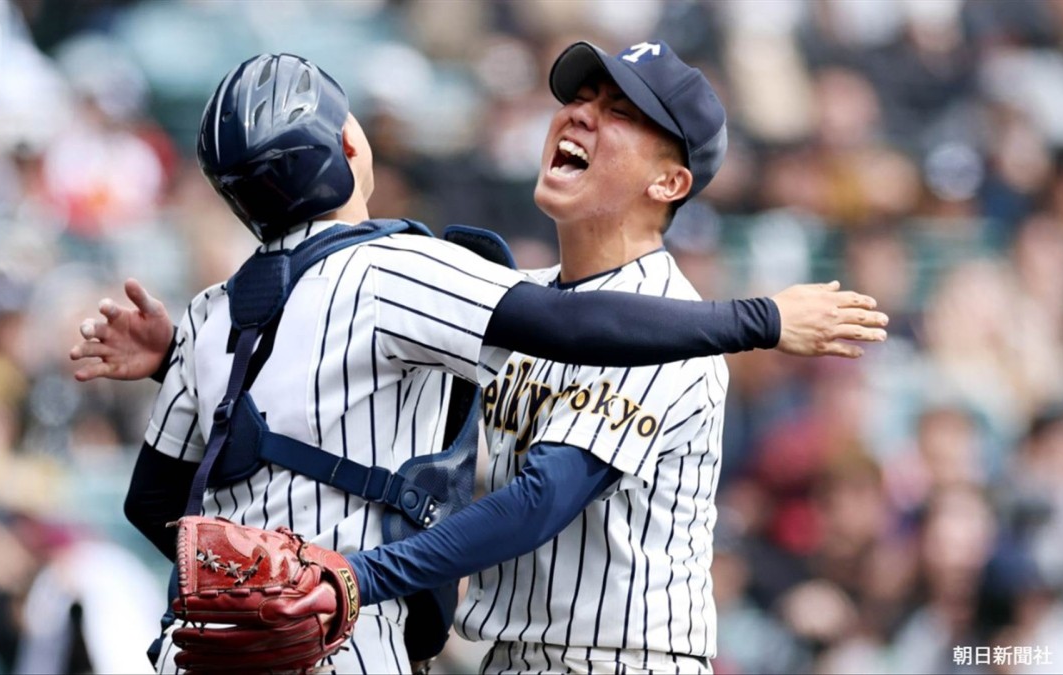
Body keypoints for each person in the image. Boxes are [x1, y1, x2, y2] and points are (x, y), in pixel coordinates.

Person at [72, 50, 887, 674]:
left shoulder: (663, 326)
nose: (580, 115)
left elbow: (539, 500)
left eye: (619, 113)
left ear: (672, 178)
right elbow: (342, 366)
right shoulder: (517, 297)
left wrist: (353, 576)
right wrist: (187, 356)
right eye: (579, 96)